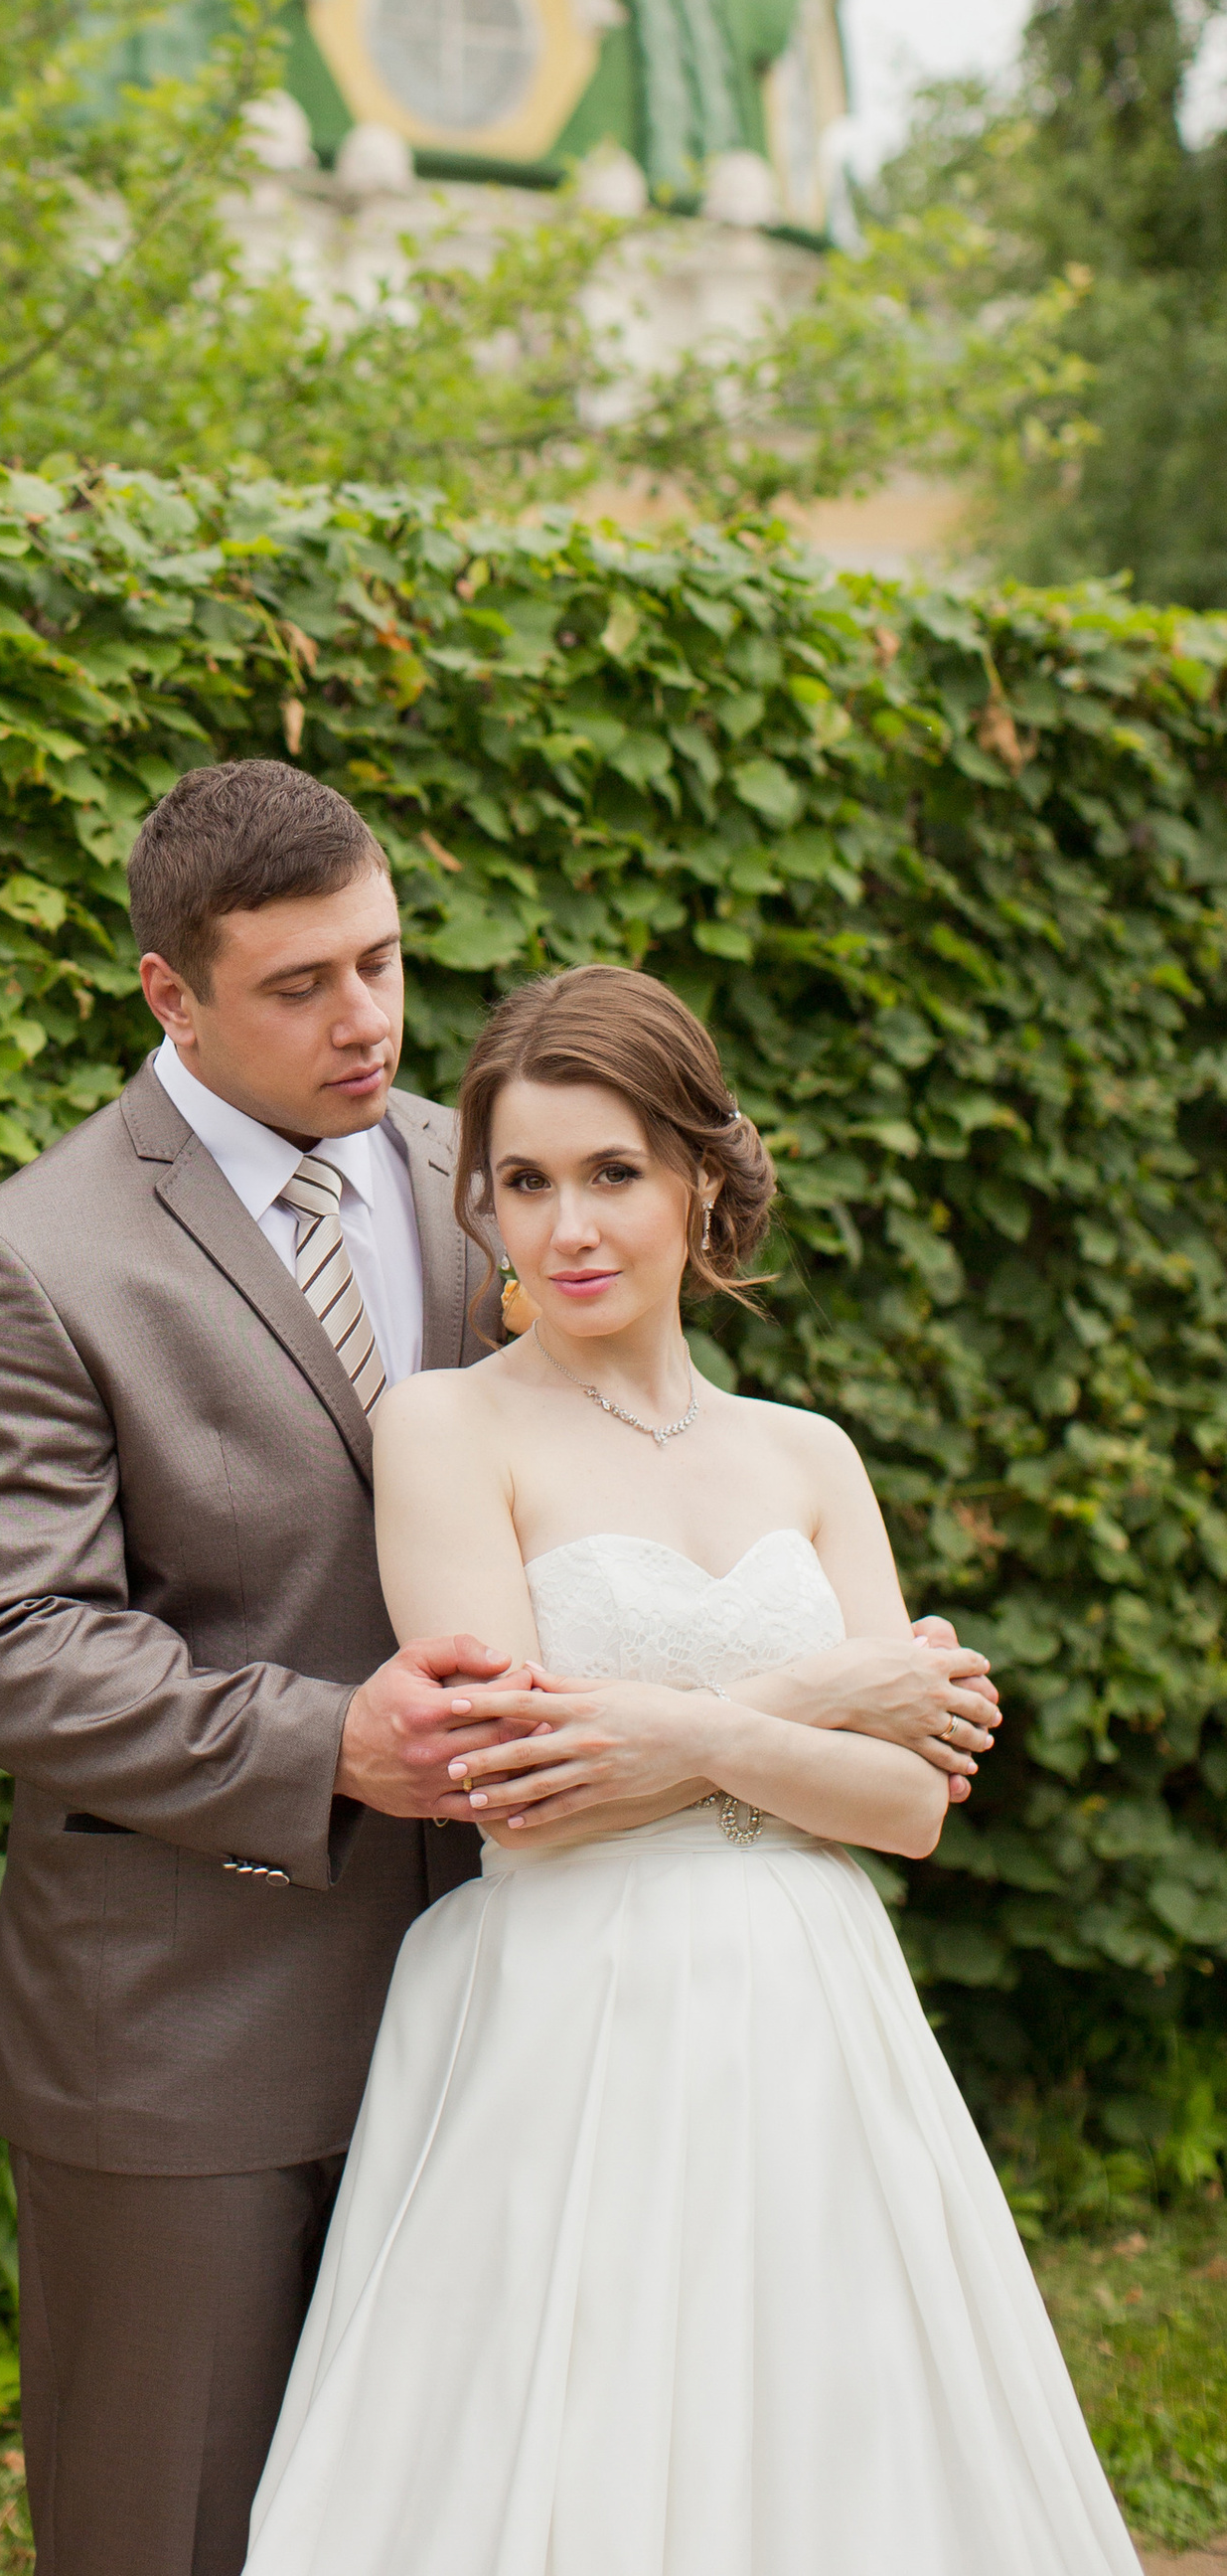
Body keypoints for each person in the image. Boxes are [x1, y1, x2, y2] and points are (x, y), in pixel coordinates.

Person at [0, 764, 998, 2576]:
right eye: (302, 986)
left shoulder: (485, 1166)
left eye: (386, 960)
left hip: (536, 2014)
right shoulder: (27, 1263)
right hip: (203, 2012)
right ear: (171, 995)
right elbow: (14, 1652)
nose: (370, 1021)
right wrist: (337, 1741)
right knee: (185, 2530)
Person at [248, 958, 1133, 2576]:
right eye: (523, 1182)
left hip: (816, 2015)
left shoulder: (810, 1455)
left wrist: (701, 1728)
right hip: (571, 2020)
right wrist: (816, 1696)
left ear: (702, 1183)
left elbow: (914, 1807)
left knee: (834, 2456)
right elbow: (515, 1775)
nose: (567, 1228)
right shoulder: (450, 1429)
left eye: (612, 1175)